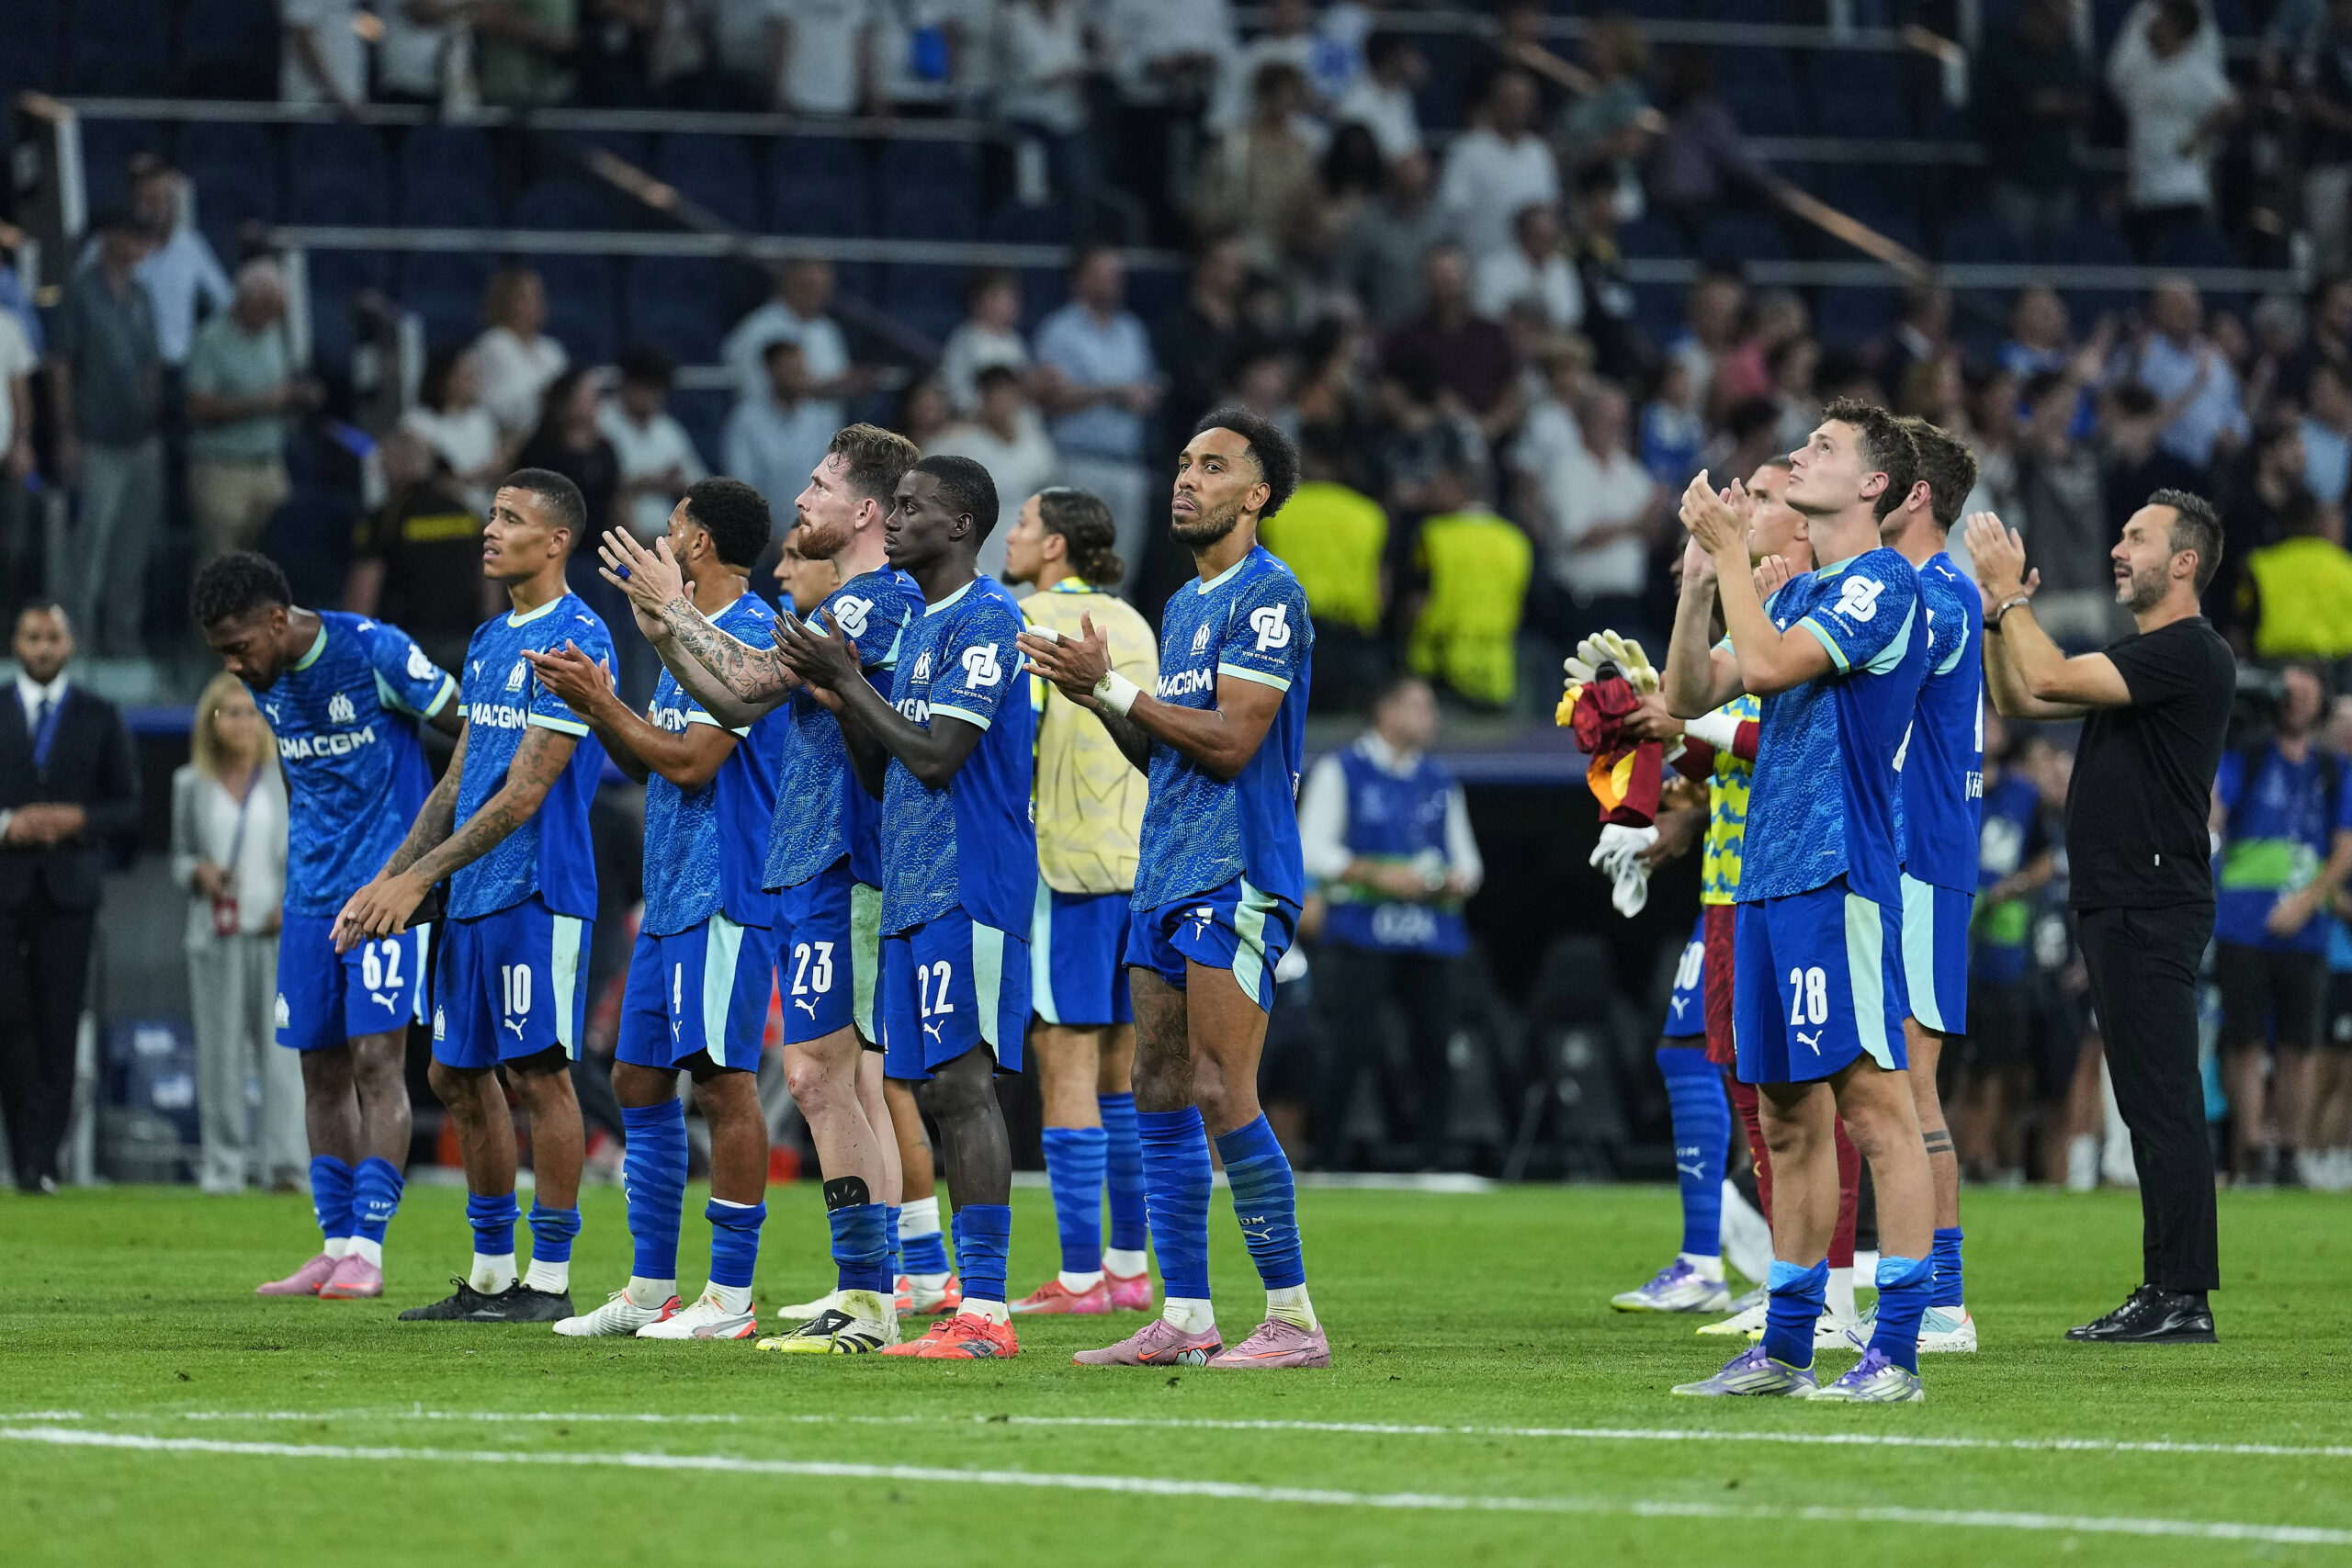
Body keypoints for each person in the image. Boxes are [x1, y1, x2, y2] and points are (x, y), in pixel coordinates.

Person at [1023, 408, 1328, 1370]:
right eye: (1183, 463)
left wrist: (1112, 690)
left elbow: (1234, 744)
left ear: (1257, 494)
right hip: (1162, 871)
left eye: (1213, 466)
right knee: (1155, 1089)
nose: (1185, 480)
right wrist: (1098, 695)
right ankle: (1185, 1315)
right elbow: (1162, 754)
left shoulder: (1268, 595)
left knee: (1215, 1086)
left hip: (1235, 869)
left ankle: (1291, 1318)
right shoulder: (1185, 607)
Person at [610, 424, 921, 1349]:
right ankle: (866, 1290)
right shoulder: (850, 607)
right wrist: (668, 625)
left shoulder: (874, 604)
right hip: (813, 865)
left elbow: (741, 684)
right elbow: (739, 696)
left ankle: (885, 1292)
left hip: (855, 866)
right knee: (824, 1080)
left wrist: (675, 612)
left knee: (840, 1081)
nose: (801, 500)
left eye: (820, 486)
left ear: (864, 510)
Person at [1661, 399, 1939, 1402]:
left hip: (1841, 875)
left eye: (1824, 447)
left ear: (1873, 485)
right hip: (1766, 879)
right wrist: (1699, 586)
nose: (1801, 455)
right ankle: (1784, 1349)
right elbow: (1692, 694)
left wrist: (1733, 551)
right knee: (1785, 1120)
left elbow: (1771, 669)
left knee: (1874, 1105)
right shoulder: (1803, 590)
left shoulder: (1880, 586)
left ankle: (1896, 1351)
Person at [334, 468, 616, 1324]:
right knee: (453, 1071)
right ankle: (492, 1275)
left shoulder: (578, 638)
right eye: (491, 515)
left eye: (509, 517)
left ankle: (553, 1278)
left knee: (541, 1075)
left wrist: (419, 877)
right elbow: (459, 778)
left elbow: (525, 795)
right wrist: (393, 872)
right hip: (472, 895)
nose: (489, 530)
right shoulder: (494, 638)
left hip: (539, 888)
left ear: (556, 540)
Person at [775, 455, 1037, 1360]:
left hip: (977, 882)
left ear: (961, 526)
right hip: (914, 888)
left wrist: (849, 685)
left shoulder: (989, 617)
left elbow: (938, 758)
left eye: (918, 508)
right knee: (929, 1087)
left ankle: (987, 1314)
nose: (897, 518)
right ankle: (948, 1302)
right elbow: (884, 770)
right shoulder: (921, 628)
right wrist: (841, 687)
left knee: (965, 1087)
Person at [1965, 488, 2235, 1341]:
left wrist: (2013, 600)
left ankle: (2181, 1293)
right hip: (2123, 899)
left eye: (2136, 538)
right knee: (2147, 1097)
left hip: (2151, 900)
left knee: (2161, 1099)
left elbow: (2044, 674)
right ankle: (2170, 1287)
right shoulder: (2147, 654)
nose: (2118, 549)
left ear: (2184, 561)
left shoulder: (2191, 651)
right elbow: (2021, 700)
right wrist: (1990, 619)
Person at [525, 479, 786, 1339]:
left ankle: (732, 1297)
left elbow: (692, 764)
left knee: (720, 1081)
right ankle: (648, 1289)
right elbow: (649, 760)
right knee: (637, 1077)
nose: (658, 538)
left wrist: (604, 706)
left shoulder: (747, 638)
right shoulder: (677, 637)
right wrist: (603, 704)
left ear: (701, 545)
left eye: (673, 526)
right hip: (671, 890)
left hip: (726, 890)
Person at [194, 550, 460, 1295]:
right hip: (310, 899)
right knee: (319, 1067)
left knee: (378, 1062)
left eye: (240, 647)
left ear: (278, 621)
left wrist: (419, 863)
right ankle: (335, 1240)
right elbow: (298, 774)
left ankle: (369, 1254)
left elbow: (475, 728)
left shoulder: (373, 649)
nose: (236, 667)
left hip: (383, 898)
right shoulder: (268, 677)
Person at [1619, 457, 1816, 1330]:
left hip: (1785, 878)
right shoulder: (1760, 609)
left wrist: (1680, 722)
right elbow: (1707, 720)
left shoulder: (1831, 609)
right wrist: (1664, 813)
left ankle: (1835, 1283)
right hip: (1732, 874)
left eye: (1766, 497)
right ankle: (1779, 1275)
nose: (1747, 508)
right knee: (1739, 1073)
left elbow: (1782, 735)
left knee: (1832, 1093)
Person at [1001, 488, 1159, 1314]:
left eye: (1023, 526)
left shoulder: (1028, 617)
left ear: (1055, 546)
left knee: (1064, 1058)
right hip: (1144, 864)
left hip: (1066, 869)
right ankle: (1128, 1267)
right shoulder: (1133, 623)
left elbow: (1012, 745)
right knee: (1123, 1071)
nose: (1012, 538)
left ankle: (1079, 1277)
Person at [1880, 418, 1988, 1354]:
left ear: (1913, 495)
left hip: (1921, 862)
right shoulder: (1932, 590)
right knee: (1884, 1083)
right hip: (1906, 858)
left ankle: (1941, 1300)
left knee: (1911, 1086)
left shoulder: (1937, 596)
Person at [1297, 673, 1481, 1173]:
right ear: (1386, 710)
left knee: (1435, 1048)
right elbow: (1312, 850)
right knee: (1351, 1045)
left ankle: (1431, 1161)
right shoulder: (1343, 771)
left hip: (1429, 933)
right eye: (1420, 706)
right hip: (1361, 931)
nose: (1432, 717)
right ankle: (1327, 1157)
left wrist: (1443, 880)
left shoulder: (1440, 781)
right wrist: (1381, 875)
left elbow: (1470, 866)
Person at [0, 606, 139, 1194]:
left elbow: (130, 808)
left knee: (59, 1025)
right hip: (4, 887)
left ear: (70, 643)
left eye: (53, 636)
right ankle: (20, 1153)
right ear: (16, 643)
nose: (43, 647)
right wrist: (7, 824)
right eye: (33, 636)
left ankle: (42, 1162)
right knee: (10, 1022)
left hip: (70, 892)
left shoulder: (99, 715)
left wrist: (76, 817)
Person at [2210, 663, 2352, 1185]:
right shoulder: (2245, 756)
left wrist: (2307, 904)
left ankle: (2291, 1151)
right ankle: (2250, 1151)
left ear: (2321, 701)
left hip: (2305, 929)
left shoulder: (2333, 771)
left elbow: (2344, 849)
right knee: (2244, 1043)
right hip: (2240, 924)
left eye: (2306, 691)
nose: (2294, 700)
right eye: (2287, 690)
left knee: (2300, 1046)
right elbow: (2213, 815)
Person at [172, 673, 297, 1197]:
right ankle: (223, 1167)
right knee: (218, 1056)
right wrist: (197, 873)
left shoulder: (283, 776)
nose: (242, 722)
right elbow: (178, 859)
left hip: (275, 933)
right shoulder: (189, 784)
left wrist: (289, 904)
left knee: (282, 1056)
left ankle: (287, 1167)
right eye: (230, 712)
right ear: (211, 722)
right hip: (215, 935)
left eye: (250, 711)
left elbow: (305, 851)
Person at [49, 212, 163, 658]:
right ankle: (74, 644)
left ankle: (122, 642)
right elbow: (61, 367)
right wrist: (66, 434)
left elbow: (152, 363)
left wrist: (152, 416)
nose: (140, 247)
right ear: (111, 239)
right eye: (133, 237)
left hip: (141, 441)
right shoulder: (79, 293)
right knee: (89, 548)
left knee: (132, 549)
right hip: (97, 439)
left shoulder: (141, 295)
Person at [1034, 245, 1162, 592]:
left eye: (1117, 274)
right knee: (1073, 574)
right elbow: (1051, 399)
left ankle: (1117, 648)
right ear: (1079, 280)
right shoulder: (1060, 330)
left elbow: (1147, 390)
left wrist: (1135, 395)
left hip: (1128, 466)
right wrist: (1113, 393)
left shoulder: (1132, 330)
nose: (1114, 281)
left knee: (1120, 579)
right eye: (1104, 273)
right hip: (1078, 463)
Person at [185, 259, 322, 566]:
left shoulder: (274, 334)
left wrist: (299, 396)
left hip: (269, 466)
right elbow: (197, 407)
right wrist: (259, 404)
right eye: (266, 307)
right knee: (221, 565)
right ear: (244, 300)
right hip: (221, 469)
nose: (271, 317)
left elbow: (281, 386)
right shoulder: (212, 339)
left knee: (271, 565)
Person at [346, 428, 493, 676]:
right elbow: (491, 585)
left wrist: (350, 655)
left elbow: (362, 599)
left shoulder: (384, 521)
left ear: (394, 463)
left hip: (407, 648)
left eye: (383, 461)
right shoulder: (468, 515)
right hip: (465, 645)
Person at [2105, 0, 2236, 257]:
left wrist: (2198, 139)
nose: (2151, 22)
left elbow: (2230, 108)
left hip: (2182, 191)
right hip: (2142, 191)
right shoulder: (2140, 70)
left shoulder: (2196, 72)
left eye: (2160, 19)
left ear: (2175, 27)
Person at [927, 366, 1061, 581]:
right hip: (976, 537)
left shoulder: (1032, 440)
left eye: (1007, 394)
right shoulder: (959, 441)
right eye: (994, 395)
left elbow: (1047, 480)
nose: (1002, 403)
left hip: (1024, 534)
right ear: (983, 398)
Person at [722, 260, 865, 425]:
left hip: (825, 435)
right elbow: (756, 389)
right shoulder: (758, 330)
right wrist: (816, 390)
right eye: (809, 286)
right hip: (770, 436)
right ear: (785, 284)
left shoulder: (827, 330)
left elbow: (837, 380)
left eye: (825, 288)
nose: (819, 295)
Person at [1437, 68, 1558, 262]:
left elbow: (1549, 211)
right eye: (1509, 99)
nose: (1517, 107)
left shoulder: (1539, 152)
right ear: (1494, 102)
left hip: (1528, 269)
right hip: (1481, 265)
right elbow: (1453, 214)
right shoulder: (1467, 150)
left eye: (1523, 100)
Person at [599, 344, 707, 542]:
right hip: (615, 538)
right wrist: (648, 482)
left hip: (667, 537)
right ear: (627, 383)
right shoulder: (601, 421)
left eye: (657, 388)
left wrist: (675, 484)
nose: (651, 395)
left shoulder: (668, 430)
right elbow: (597, 485)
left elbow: (699, 486)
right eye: (645, 386)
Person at [726, 340, 838, 525]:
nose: (800, 376)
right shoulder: (747, 420)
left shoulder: (822, 418)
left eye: (802, 369)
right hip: (765, 531)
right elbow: (742, 483)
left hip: (815, 529)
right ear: (772, 371)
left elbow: (834, 479)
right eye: (792, 370)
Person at [401, 348, 508, 518]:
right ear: (443, 380)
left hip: (484, 511)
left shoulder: (483, 420)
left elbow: (498, 467)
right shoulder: (418, 422)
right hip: (436, 513)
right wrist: (472, 476)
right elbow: (424, 475)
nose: (473, 382)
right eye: (465, 376)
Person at [470, 268, 569, 441]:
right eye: (527, 299)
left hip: (555, 438)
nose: (538, 305)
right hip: (510, 439)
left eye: (540, 297)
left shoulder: (551, 349)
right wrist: (540, 396)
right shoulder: (494, 344)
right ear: (506, 303)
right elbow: (490, 406)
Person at [937, 269, 1032, 416]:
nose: (1009, 304)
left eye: (1012, 297)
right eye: (999, 297)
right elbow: (956, 394)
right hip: (978, 422)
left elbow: (1021, 387)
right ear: (977, 301)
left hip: (1014, 418)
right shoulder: (965, 340)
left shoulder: (1015, 340)